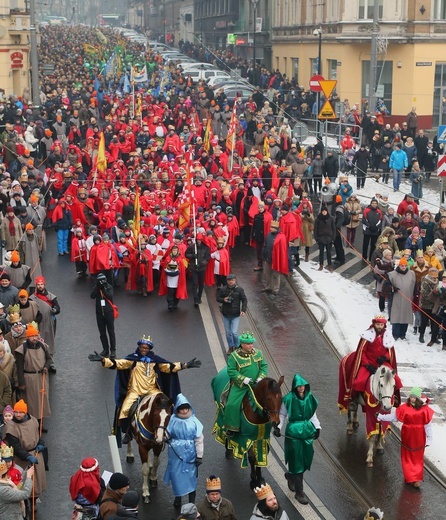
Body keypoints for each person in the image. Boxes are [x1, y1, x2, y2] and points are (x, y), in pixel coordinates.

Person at [89, 336, 201, 444]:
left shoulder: (155, 360)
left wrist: (186, 365)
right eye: (142, 347)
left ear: (149, 349)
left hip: (152, 390)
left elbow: (169, 367)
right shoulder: (132, 359)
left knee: (167, 405)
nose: (144, 350)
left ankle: (167, 430)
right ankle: (127, 433)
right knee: (124, 409)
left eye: (146, 348)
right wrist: (103, 360)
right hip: (135, 391)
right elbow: (118, 364)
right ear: (139, 347)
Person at [338, 315, 402, 411]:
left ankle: (393, 398)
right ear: (374, 324)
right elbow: (362, 352)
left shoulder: (387, 336)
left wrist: (385, 357)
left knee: (396, 380)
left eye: (381, 324)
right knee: (359, 381)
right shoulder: (367, 336)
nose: (379, 326)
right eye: (378, 324)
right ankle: (354, 399)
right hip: (369, 363)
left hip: (383, 364)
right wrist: (367, 365)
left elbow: (390, 352)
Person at [378, 387, 434, 488]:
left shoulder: (424, 410)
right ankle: (409, 477)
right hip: (407, 435)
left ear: (418, 398)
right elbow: (395, 417)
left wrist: (430, 437)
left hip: (419, 436)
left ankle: (416, 479)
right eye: (411, 397)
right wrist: (382, 417)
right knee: (407, 456)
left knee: (417, 457)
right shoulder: (404, 407)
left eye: (414, 397)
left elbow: (427, 425)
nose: (412, 399)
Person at [278, 374, 320, 505]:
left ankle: (291, 476)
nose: (301, 388)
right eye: (299, 386)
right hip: (294, 433)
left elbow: (312, 414)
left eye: (303, 386)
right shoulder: (288, 399)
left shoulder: (310, 398)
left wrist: (317, 427)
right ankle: (299, 492)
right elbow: (282, 414)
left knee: (305, 458)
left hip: (307, 431)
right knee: (297, 461)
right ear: (295, 387)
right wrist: (278, 427)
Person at [164, 393, 204, 509]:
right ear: (178, 409)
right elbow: (167, 433)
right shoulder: (172, 419)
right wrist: (164, 437)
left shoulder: (194, 421)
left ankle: (192, 500)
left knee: (191, 477)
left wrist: (199, 455)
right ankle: (178, 497)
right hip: (175, 454)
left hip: (190, 454)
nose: (184, 411)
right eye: (181, 409)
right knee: (176, 476)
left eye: (186, 408)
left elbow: (199, 439)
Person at [224, 332, 267, 436]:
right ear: (242, 344)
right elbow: (231, 371)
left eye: (252, 343)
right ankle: (231, 427)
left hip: (257, 385)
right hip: (241, 386)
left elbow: (264, 366)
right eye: (248, 344)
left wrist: (261, 377)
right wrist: (243, 379)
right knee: (232, 404)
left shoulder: (258, 353)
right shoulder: (234, 356)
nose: (251, 345)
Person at [3, 400, 46, 502]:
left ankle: (34, 501)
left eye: (20, 412)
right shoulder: (11, 427)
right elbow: (16, 447)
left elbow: (37, 436)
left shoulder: (34, 420)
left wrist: (40, 444)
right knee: (21, 483)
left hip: (35, 454)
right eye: (16, 412)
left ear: (25, 412)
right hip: (20, 460)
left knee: (36, 482)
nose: (18, 414)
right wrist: (27, 457)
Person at [15, 323, 51, 427]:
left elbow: (49, 359)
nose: (34, 338)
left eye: (36, 335)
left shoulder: (43, 346)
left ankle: (40, 423)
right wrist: (21, 383)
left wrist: (46, 367)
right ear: (28, 337)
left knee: (42, 401)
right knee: (30, 403)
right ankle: (31, 425)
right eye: (32, 336)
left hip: (41, 377)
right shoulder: (22, 349)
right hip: (29, 378)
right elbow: (20, 368)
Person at [29, 276, 60, 371]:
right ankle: (39, 362)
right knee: (38, 341)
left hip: (50, 322)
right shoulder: (32, 298)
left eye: (41, 284)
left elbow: (58, 308)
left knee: (50, 341)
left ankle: (50, 362)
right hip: (38, 324)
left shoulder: (51, 297)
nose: (40, 286)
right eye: (38, 284)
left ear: (44, 285)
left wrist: (55, 310)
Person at [216, 274, 248, 355]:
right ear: (227, 281)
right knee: (228, 332)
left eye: (232, 280)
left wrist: (243, 310)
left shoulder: (239, 290)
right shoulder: (223, 289)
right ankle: (231, 346)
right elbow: (218, 298)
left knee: (234, 332)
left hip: (235, 314)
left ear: (235, 281)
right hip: (226, 314)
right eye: (229, 280)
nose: (231, 282)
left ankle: (237, 346)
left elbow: (244, 300)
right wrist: (224, 299)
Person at [388, 257, 416, 340]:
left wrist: (415, 294)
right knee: (396, 316)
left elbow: (414, 286)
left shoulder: (412, 274)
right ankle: (395, 334)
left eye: (405, 266)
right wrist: (393, 288)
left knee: (405, 316)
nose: (403, 267)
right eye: (402, 266)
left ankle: (402, 334)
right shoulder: (392, 274)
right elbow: (387, 285)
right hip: (396, 298)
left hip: (407, 298)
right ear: (399, 266)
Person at [90, 272, 117, 359]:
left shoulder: (109, 287)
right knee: (102, 333)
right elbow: (92, 296)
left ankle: (113, 349)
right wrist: (98, 288)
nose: (102, 282)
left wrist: (104, 289)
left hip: (109, 313)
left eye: (103, 280)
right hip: (99, 314)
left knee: (111, 332)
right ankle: (105, 349)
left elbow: (110, 296)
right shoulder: (97, 287)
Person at [261, 220, 289, 294]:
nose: (270, 229)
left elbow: (282, 250)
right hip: (268, 258)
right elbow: (265, 245)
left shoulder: (281, 236)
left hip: (276, 260)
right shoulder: (269, 235)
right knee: (267, 273)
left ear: (276, 228)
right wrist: (263, 254)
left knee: (276, 275)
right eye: (270, 227)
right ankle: (268, 286)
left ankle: (275, 289)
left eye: (272, 228)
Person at [186, 233, 210, 307]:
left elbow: (207, 258)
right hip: (194, 267)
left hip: (202, 268)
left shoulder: (206, 248)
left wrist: (201, 264)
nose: (199, 241)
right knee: (194, 283)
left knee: (201, 283)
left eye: (200, 240)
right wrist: (193, 256)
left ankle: (199, 296)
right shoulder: (192, 246)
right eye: (198, 240)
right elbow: (186, 254)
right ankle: (195, 299)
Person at [314, 205, 336, 272]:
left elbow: (333, 229)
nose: (324, 212)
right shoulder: (318, 219)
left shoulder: (330, 218)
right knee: (321, 252)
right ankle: (321, 265)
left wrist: (333, 238)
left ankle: (330, 265)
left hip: (329, 238)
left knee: (329, 252)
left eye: (325, 211)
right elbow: (315, 230)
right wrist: (316, 238)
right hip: (321, 238)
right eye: (323, 211)